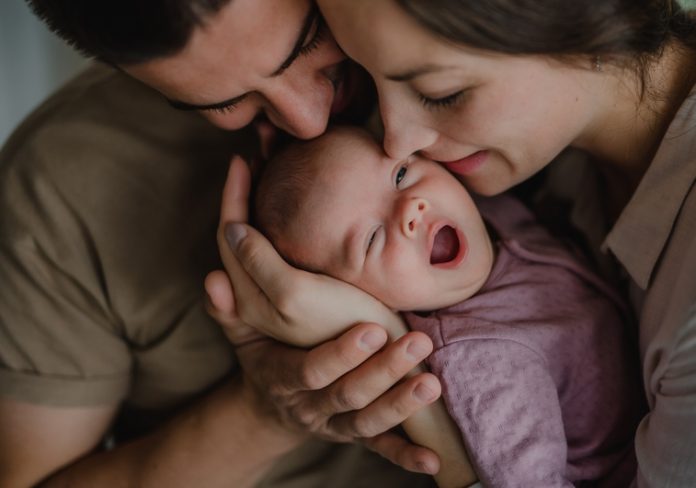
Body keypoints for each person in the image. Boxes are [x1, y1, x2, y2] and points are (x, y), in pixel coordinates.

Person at [212, 0, 696, 486]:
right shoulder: (540, 167)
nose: (397, 142)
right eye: (364, 75)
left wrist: (402, 368)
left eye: (442, 93)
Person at [0, 1, 444, 486]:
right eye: (224, 104)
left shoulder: (485, 39)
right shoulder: (57, 190)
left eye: (312, 40)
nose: (307, 120)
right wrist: (266, 413)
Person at [249, 125, 644, 487]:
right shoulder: (482, 361)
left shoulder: (487, 211)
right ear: (359, 299)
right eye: (371, 240)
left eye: (401, 174)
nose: (410, 209)